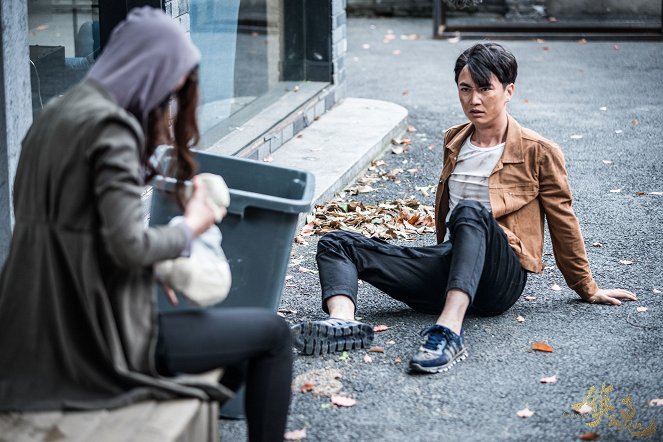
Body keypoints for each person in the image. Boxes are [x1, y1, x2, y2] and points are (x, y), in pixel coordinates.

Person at [0, 7, 291, 441]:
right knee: (273, 334)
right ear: (147, 71)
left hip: (30, 326)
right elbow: (128, 247)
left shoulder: (54, 117)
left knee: (230, 352)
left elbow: (67, 228)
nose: (168, 103)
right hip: (93, 336)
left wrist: (147, 266)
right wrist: (191, 226)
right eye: (168, 90)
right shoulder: (110, 128)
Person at [292, 43, 637, 374]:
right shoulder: (455, 140)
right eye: (465, 89)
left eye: (485, 89)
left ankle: (449, 331)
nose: (474, 100)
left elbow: (564, 220)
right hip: (452, 263)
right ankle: (343, 323)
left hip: (501, 277)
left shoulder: (539, 151)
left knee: (469, 211)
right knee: (336, 243)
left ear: (509, 91)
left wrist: (586, 287)